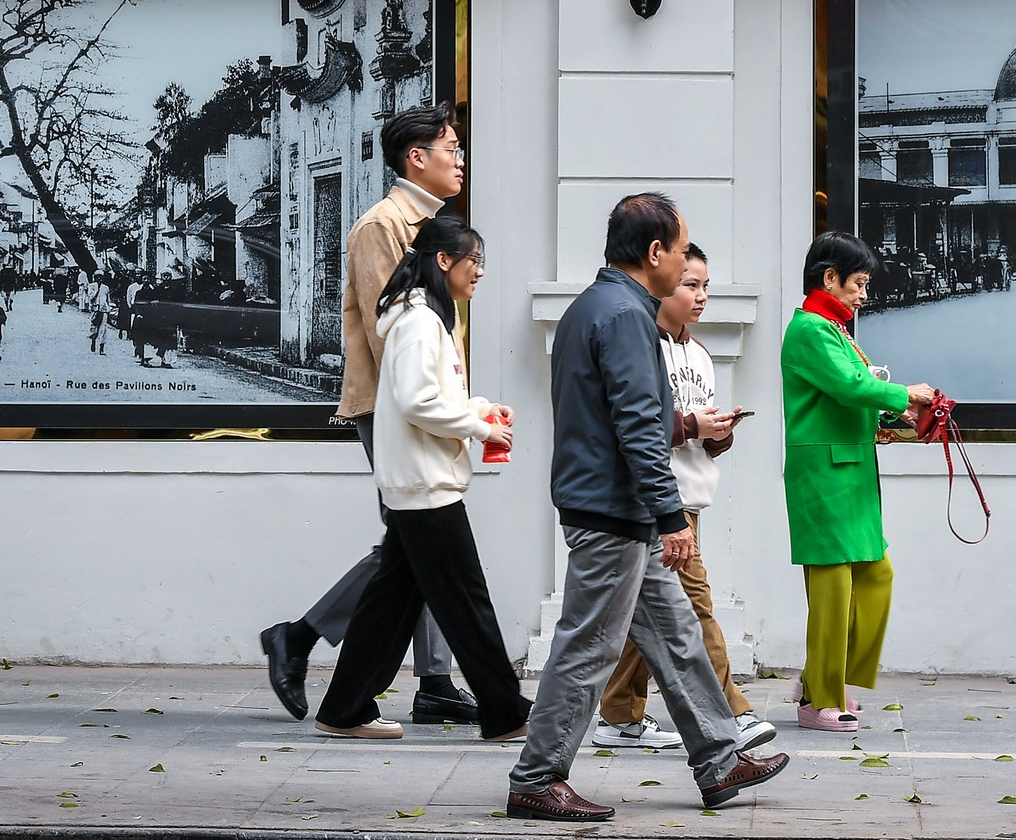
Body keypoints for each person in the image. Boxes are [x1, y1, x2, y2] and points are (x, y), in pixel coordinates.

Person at [506, 194, 789, 823]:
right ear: (655, 253)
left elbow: (637, 419)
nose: (688, 261)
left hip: (613, 505)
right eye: (684, 250)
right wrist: (670, 516)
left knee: (677, 634)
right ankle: (537, 778)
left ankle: (720, 759)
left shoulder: (597, 307)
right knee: (587, 649)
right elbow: (636, 426)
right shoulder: (626, 316)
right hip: (614, 511)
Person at [260, 103, 478, 729]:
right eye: (451, 148)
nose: (460, 159)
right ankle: (301, 637)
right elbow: (397, 332)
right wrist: (441, 409)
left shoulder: (435, 223)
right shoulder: (382, 226)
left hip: (423, 405)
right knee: (418, 541)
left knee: (418, 544)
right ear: (417, 158)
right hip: (394, 405)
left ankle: (431, 678)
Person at [311, 215, 532, 742]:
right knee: (465, 600)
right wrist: (479, 428)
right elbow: (415, 401)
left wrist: (479, 407)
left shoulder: (429, 317)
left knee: (390, 604)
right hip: (425, 484)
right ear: (443, 261)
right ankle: (505, 711)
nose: (479, 271)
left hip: (419, 480)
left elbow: (429, 395)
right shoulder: (419, 322)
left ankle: (345, 707)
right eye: (474, 260)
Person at [590, 244, 772, 753]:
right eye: (691, 284)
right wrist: (691, 425)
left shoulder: (698, 353)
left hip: (689, 496)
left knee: (647, 613)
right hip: (656, 498)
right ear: (663, 280)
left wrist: (718, 432)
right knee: (695, 606)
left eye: (706, 287)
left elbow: (701, 433)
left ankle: (618, 715)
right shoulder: (638, 342)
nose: (701, 296)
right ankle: (733, 711)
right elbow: (632, 424)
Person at [780, 231, 934, 733]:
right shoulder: (810, 328)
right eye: (859, 284)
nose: (864, 295)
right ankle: (821, 696)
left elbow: (848, 399)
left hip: (848, 469)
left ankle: (821, 680)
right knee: (833, 586)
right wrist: (903, 394)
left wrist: (893, 421)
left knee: (874, 575)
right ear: (830, 278)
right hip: (824, 473)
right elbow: (851, 387)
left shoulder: (833, 329)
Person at [85, 272, 112, 355]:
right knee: (94, 328)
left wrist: (109, 309)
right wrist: (97, 290)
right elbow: (91, 297)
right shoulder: (91, 286)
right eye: (97, 277)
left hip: (104, 310)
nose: (99, 279)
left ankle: (101, 347)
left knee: (103, 329)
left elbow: (108, 299)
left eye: (100, 277)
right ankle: (93, 341)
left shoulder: (106, 287)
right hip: (95, 309)